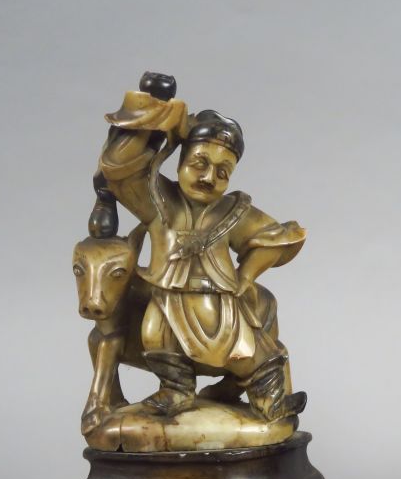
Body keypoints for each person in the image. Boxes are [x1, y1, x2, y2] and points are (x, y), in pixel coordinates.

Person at [93, 73, 307, 419]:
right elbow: (121, 169)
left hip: (217, 301)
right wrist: (153, 115)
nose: (209, 177)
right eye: (199, 164)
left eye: (222, 172)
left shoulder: (233, 210)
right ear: (180, 161)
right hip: (164, 297)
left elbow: (277, 237)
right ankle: (176, 390)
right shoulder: (159, 201)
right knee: (154, 336)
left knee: (244, 352)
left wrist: (247, 275)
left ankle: (270, 401)